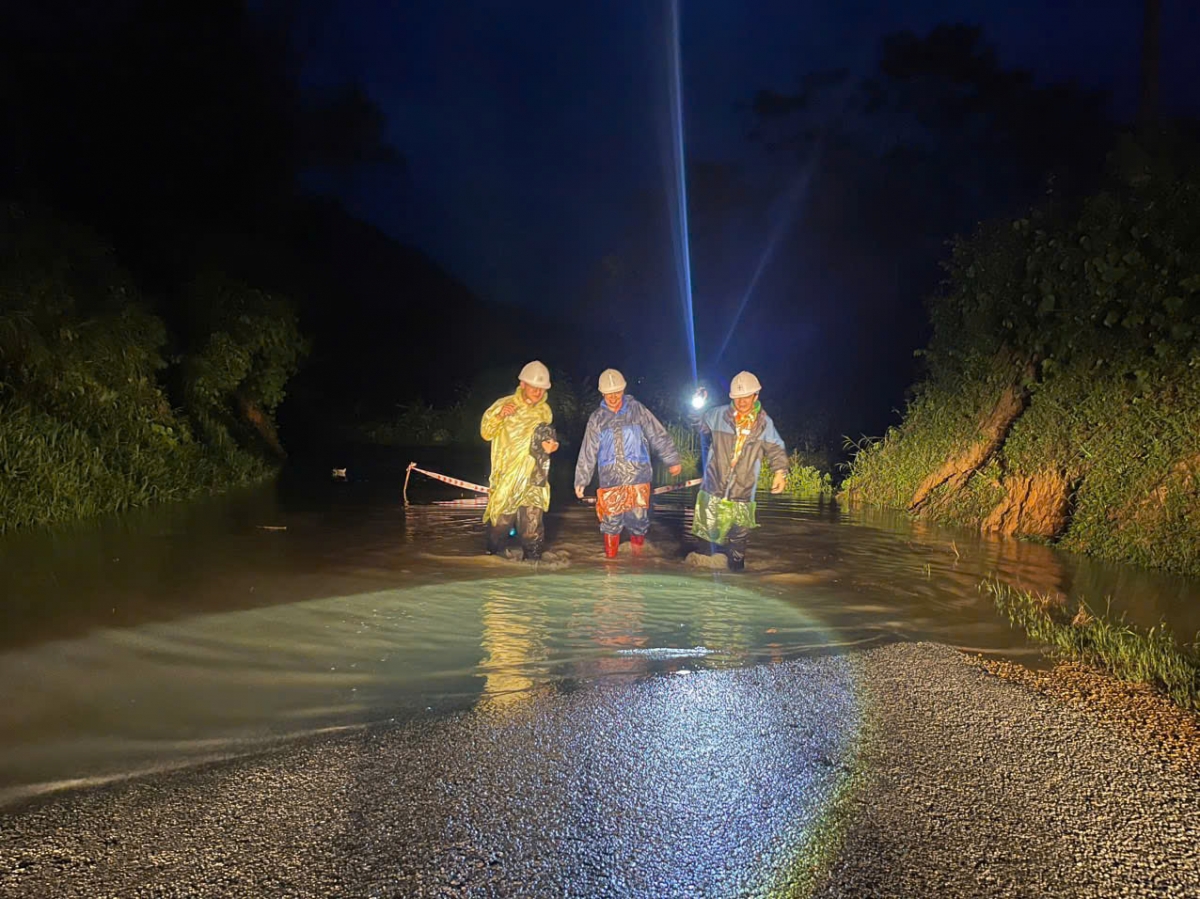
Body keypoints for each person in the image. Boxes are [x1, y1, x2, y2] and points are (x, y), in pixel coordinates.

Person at [574, 369, 682, 559]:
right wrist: (581, 480)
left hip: (638, 478)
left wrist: (671, 459)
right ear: (602, 393)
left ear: (623, 390)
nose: (613, 397)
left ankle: (637, 563)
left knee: (639, 521)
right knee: (610, 523)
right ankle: (611, 566)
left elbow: (657, 434)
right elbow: (588, 451)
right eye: (609, 394)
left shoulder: (638, 410)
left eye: (617, 392)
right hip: (610, 481)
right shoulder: (597, 419)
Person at [691, 371, 788, 571]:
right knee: (703, 551)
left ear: (756, 396)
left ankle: (736, 588)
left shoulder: (764, 424)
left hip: (743, 495)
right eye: (738, 397)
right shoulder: (717, 415)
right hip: (712, 490)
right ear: (731, 397)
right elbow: (697, 424)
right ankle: (700, 593)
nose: (742, 402)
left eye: (747, 397)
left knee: (737, 553)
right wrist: (695, 405)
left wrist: (780, 472)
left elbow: (776, 449)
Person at [480, 360, 559, 560]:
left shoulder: (545, 411)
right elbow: (486, 433)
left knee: (531, 528)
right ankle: (491, 561)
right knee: (501, 524)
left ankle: (533, 570)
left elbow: (547, 438)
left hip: (534, 478)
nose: (538, 392)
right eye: (534, 387)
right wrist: (499, 416)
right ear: (522, 384)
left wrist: (552, 445)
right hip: (508, 478)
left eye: (542, 389)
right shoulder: (504, 405)